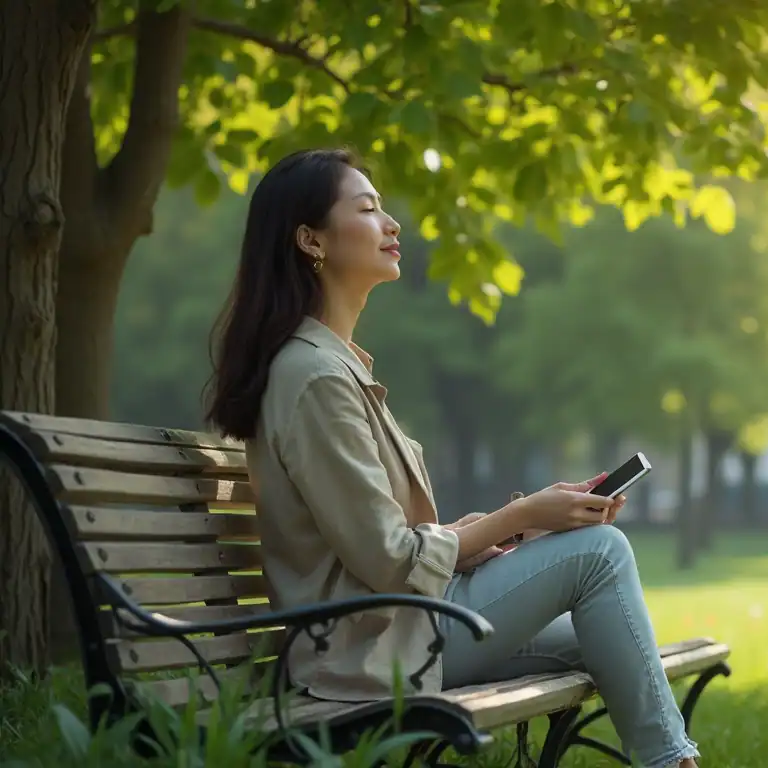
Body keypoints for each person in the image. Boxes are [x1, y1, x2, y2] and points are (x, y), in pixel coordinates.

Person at [202, 148, 701, 768]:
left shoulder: (334, 367)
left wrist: (510, 525)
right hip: (371, 653)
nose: (392, 224)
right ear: (311, 240)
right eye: (368, 209)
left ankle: (672, 760)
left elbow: (381, 541)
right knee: (600, 554)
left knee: (607, 631)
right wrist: (519, 521)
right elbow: (388, 561)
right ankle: (674, 763)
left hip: (399, 631)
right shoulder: (315, 378)